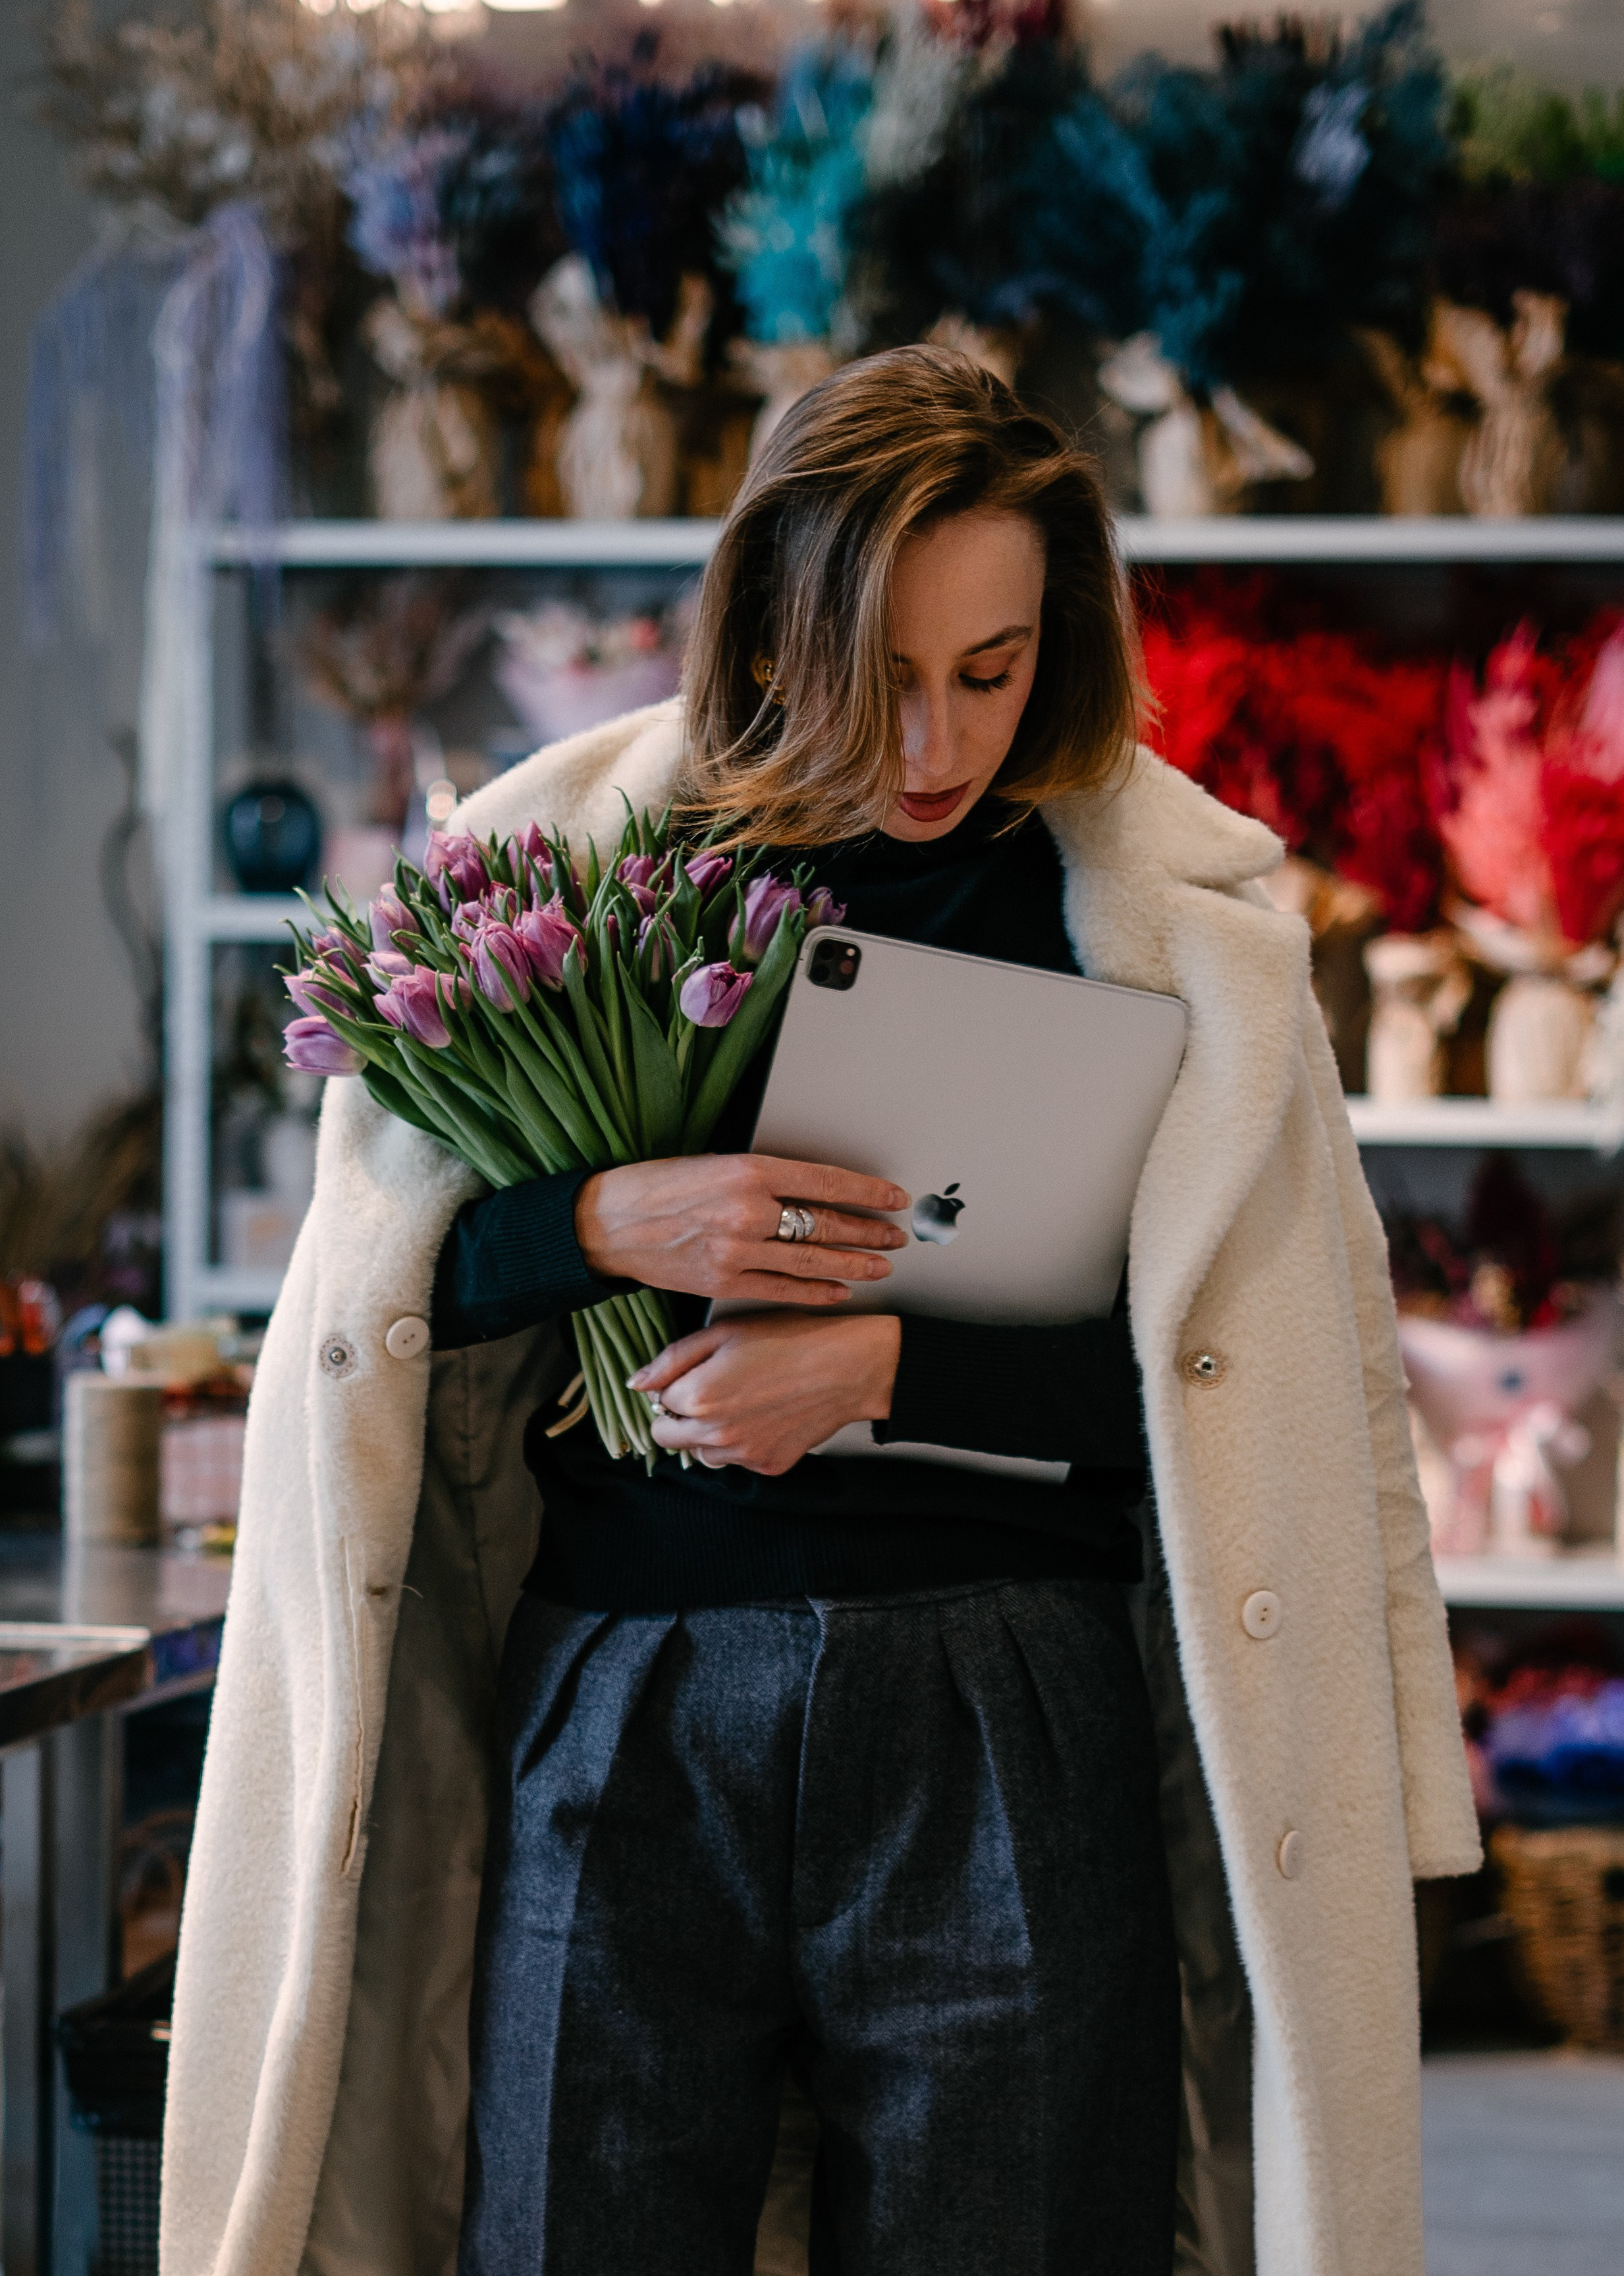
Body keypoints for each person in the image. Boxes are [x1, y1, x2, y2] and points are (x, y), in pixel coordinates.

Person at [162, 350, 1480, 2276]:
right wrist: (612, 1214)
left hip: (1009, 1700)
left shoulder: (1172, 932)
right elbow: (370, 1330)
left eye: (993, 666)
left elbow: (1267, 1396)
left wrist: (893, 1364)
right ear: (772, 619)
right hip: (618, 1692)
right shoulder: (575, 879)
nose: (936, 740)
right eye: (880, 671)